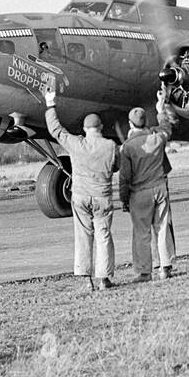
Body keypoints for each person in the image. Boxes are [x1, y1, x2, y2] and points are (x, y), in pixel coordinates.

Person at [45, 80, 120, 291]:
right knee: (104, 236)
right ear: (101, 128)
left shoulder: (76, 144)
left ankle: (86, 280)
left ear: (85, 129)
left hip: (80, 197)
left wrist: (50, 103)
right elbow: (116, 167)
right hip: (102, 197)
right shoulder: (110, 146)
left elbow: (55, 129)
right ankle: (104, 279)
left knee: (83, 236)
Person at [119, 88, 178, 281]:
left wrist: (124, 199)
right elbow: (166, 128)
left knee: (142, 233)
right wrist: (160, 108)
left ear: (130, 124)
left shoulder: (127, 147)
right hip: (160, 187)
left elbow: (125, 177)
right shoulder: (156, 137)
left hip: (140, 193)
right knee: (162, 227)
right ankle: (166, 267)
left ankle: (145, 272)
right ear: (145, 121)